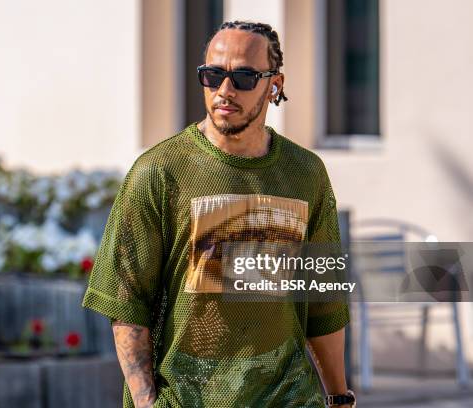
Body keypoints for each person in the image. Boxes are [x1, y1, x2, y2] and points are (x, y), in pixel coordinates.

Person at [82, 20, 354, 408]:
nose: (225, 91)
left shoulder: (305, 173)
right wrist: (145, 402)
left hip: (290, 398)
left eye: (243, 77)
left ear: (275, 84)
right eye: (213, 75)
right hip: (186, 398)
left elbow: (324, 302)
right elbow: (127, 301)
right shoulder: (159, 172)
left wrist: (340, 397)